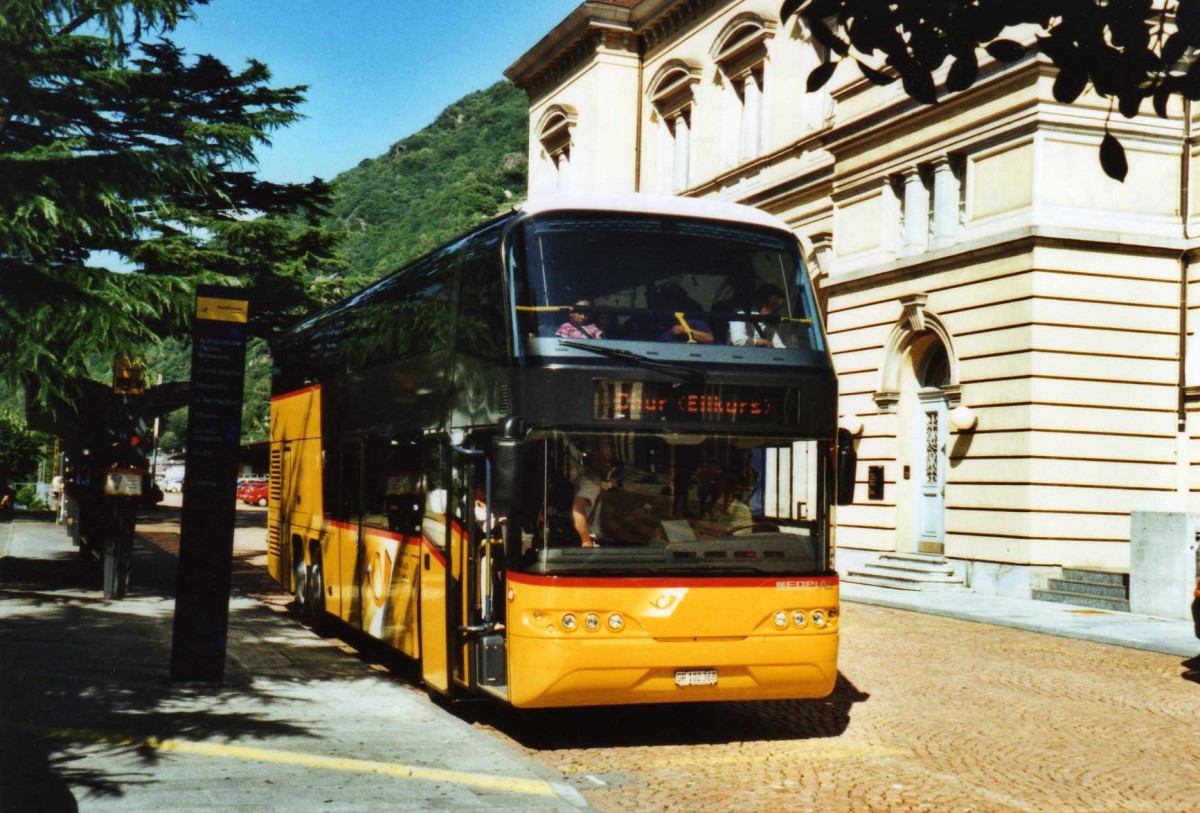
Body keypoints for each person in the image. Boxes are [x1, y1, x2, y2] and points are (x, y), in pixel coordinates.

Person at [570, 441, 614, 547]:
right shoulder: (592, 482)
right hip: (592, 541)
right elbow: (577, 508)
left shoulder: (603, 482)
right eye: (606, 461)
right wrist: (586, 540)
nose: (609, 466)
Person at [729, 283, 787, 348]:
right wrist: (760, 342)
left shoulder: (769, 321)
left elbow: (777, 344)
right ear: (764, 304)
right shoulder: (741, 313)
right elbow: (737, 340)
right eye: (774, 308)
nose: (776, 313)